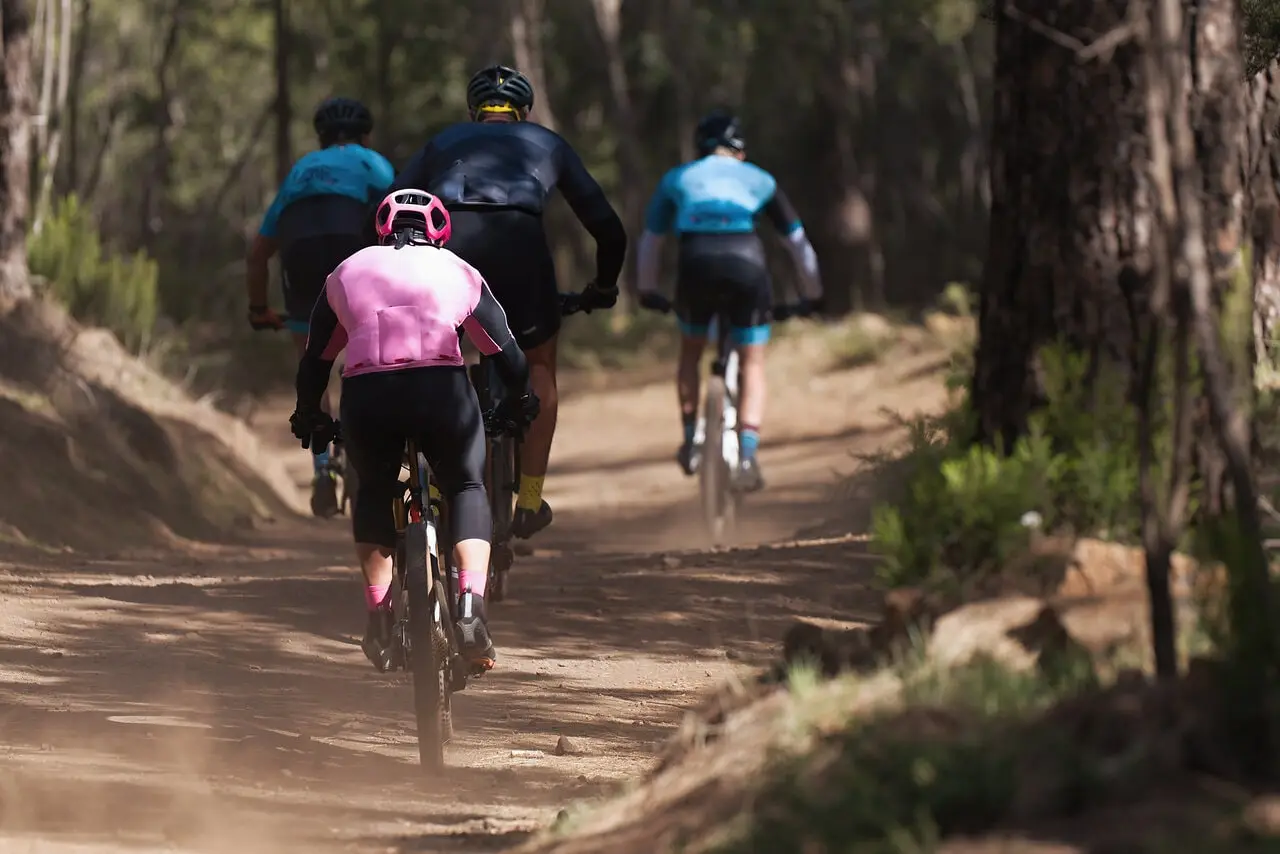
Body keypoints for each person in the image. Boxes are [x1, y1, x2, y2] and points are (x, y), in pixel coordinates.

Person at [289, 189, 539, 672]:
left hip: (367, 396)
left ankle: (380, 614)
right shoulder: (459, 271)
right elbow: (507, 354)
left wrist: (308, 413)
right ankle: (470, 608)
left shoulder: (347, 271)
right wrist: (520, 402)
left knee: (373, 491)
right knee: (466, 484)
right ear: (439, 231)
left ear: (382, 229)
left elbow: (315, 360)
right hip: (441, 390)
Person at [380, 63, 627, 540]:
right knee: (539, 367)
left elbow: (391, 203)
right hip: (520, 247)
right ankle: (530, 501)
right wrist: (603, 286)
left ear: (473, 113)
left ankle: (431, 480)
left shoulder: (443, 141)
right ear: (524, 111)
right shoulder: (548, 143)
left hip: (448, 248)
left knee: (432, 361)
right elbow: (608, 229)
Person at [635, 110, 824, 493]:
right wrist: (812, 295)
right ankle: (749, 455)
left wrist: (647, 289)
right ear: (739, 149)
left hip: (696, 261)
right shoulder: (760, 178)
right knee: (753, 359)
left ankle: (691, 440)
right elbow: (797, 242)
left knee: (691, 351)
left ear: (701, 147)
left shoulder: (677, 177)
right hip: (745, 260)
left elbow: (651, 240)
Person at [247, 96, 396, 518]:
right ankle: (369, 448)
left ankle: (324, 468)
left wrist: (259, 309)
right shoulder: (375, 163)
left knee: (314, 360)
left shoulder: (300, 172)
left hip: (301, 256)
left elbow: (258, 253)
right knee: (367, 352)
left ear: (322, 138)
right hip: (353, 244)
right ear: (365, 136)